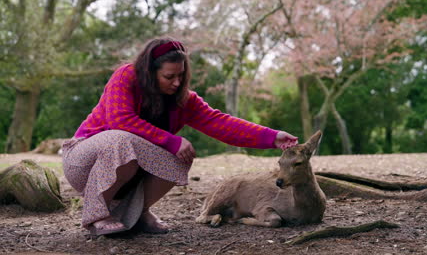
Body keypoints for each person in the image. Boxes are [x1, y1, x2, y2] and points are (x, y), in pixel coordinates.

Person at [61, 37, 298, 236]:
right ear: (149, 71)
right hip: (83, 162)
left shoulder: (184, 100)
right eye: (169, 76)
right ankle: (97, 215)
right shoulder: (126, 77)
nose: (176, 83)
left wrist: (272, 136)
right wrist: (172, 140)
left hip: (128, 171)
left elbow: (221, 123)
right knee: (121, 139)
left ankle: (137, 213)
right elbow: (119, 121)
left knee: (180, 157)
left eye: (181, 76)